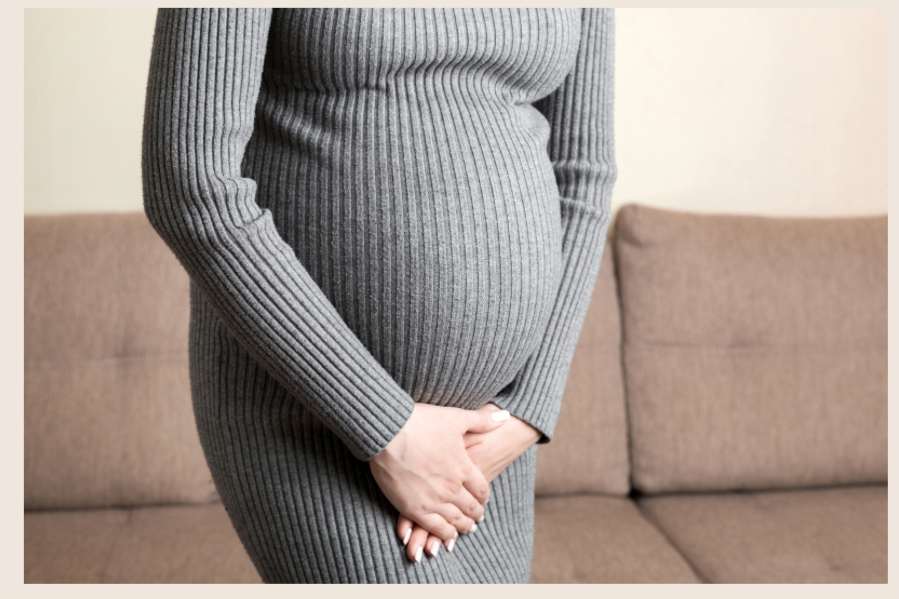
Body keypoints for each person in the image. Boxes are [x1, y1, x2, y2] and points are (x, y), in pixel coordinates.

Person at [141, 7, 616, 584]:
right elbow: (191, 184)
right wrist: (387, 429)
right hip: (317, 414)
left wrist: (525, 411)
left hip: (489, 437)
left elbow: (582, 171)